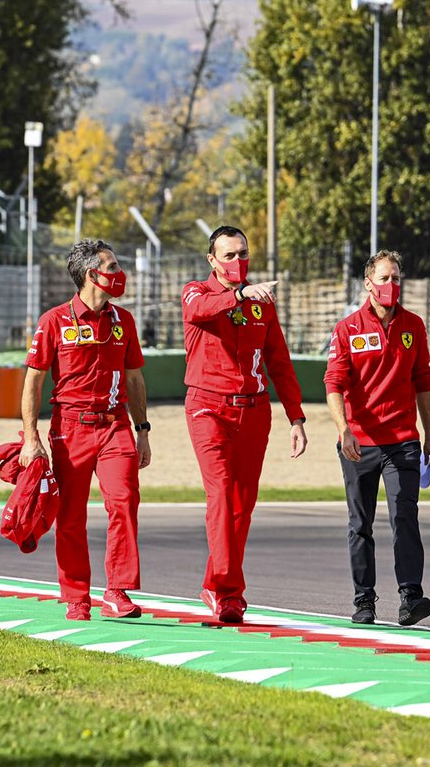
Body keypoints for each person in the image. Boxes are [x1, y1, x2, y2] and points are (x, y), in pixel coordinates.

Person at [20, 239, 151, 621]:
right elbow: (33, 382)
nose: (119, 273)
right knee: (71, 515)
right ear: (92, 274)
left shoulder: (123, 320)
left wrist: (142, 430)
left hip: (116, 427)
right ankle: (76, 595)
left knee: (124, 502)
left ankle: (117, 590)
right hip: (69, 429)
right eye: (112, 267)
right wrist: (31, 438)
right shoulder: (53, 320)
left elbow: (134, 378)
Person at [182, 225, 308, 624]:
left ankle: (214, 582)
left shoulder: (262, 302)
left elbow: (279, 360)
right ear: (212, 259)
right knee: (219, 494)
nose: (238, 262)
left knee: (241, 506)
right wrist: (237, 294)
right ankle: (228, 591)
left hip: (254, 410)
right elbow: (197, 311)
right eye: (230, 255)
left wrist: (296, 415)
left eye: (243, 254)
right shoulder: (196, 291)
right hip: (208, 407)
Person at [325, 251, 430, 626]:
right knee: (360, 523)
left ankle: (411, 596)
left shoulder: (413, 326)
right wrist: (344, 430)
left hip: (403, 441)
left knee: (405, 514)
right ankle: (364, 600)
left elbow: (423, 382)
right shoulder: (347, 330)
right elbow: (334, 384)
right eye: (384, 279)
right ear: (368, 284)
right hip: (358, 443)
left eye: (396, 279)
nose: (391, 286)